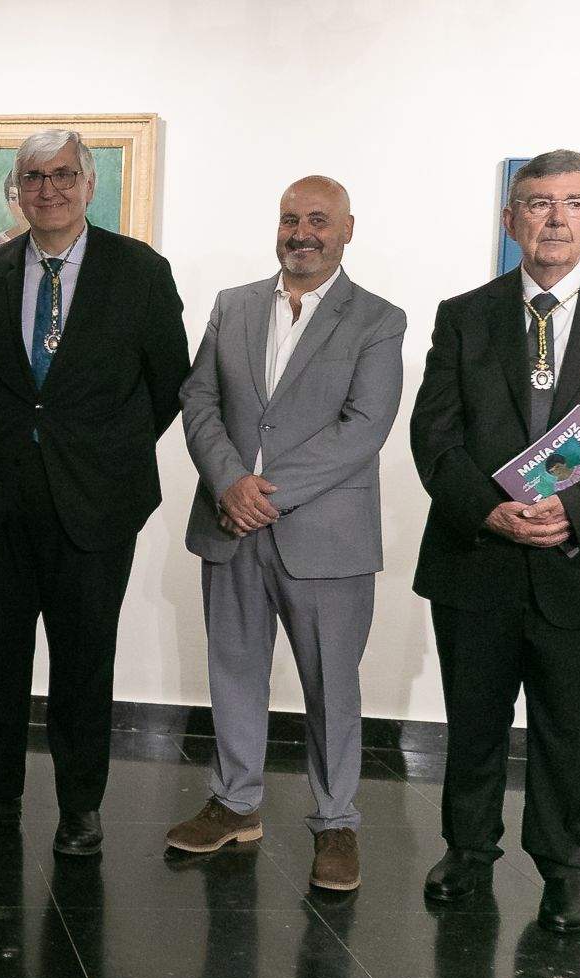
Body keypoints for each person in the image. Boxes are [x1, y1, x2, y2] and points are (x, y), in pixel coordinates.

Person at [410, 148, 580, 934]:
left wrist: (578, 510)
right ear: (512, 220)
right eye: (537, 203)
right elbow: (434, 435)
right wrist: (485, 509)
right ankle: (467, 850)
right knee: (473, 722)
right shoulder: (463, 314)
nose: (556, 218)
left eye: (574, 203)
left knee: (572, 732)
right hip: (479, 558)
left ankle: (568, 869)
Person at [0, 128, 191, 858]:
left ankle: (79, 806)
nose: (48, 189)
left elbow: (170, 384)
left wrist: (106, 448)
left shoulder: (139, 271)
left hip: (97, 502)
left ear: (88, 184)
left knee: (83, 659)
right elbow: (5, 386)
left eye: (63, 175)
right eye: (33, 178)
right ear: (18, 188)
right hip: (3, 498)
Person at [170, 176, 406, 893]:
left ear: (347, 229)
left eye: (318, 220)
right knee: (234, 670)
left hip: (324, 535)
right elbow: (198, 398)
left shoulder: (377, 318)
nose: (302, 231)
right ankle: (235, 802)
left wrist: (263, 495)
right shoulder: (233, 305)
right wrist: (227, 483)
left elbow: (364, 426)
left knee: (333, 684)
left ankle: (336, 822)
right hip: (230, 522)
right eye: (290, 219)